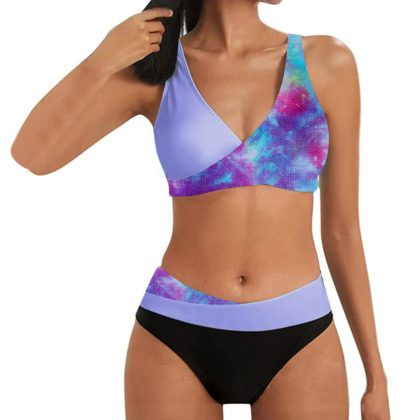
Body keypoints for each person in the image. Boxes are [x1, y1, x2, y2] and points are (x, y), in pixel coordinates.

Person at [10, 1, 391, 419]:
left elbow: (342, 230)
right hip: (175, 335)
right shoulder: (160, 72)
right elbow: (32, 155)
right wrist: (99, 61)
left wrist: (377, 376)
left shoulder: (327, 63)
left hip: (301, 337)